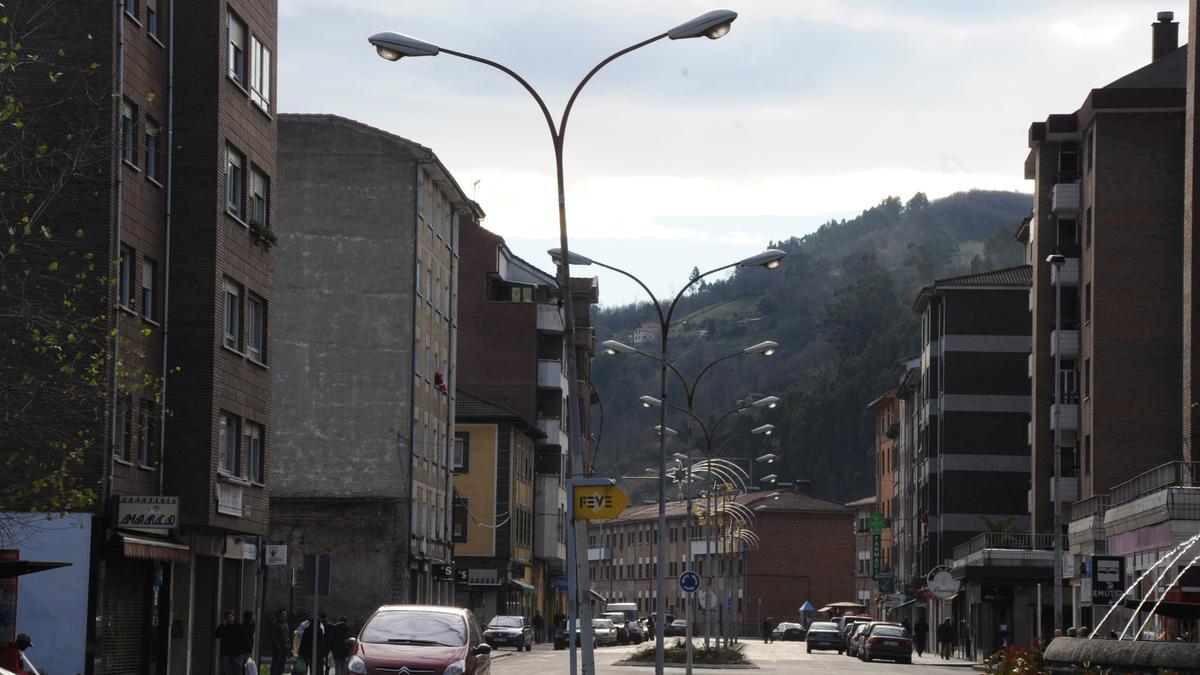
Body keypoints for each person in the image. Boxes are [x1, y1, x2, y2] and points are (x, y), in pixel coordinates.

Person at [215, 610, 249, 675]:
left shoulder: (239, 627)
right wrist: (222, 625)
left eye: (231, 617)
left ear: (234, 617)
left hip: (236, 653)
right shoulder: (224, 627)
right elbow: (216, 635)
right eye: (228, 617)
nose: (229, 619)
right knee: (226, 671)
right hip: (225, 653)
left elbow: (245, 639)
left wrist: (245, 650)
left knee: (237, 671)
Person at [268, 610, 291, 675]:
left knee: (282, 664)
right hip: (278, 648)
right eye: (283, 614)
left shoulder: (286, 624)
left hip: (285, 647)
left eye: (285, 614)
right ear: (279, 615)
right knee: (276, 664)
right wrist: (277, 645)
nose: (285, 616)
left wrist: (288, 644)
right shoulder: (275, 624)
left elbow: (287, 635)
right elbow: (273, 636)